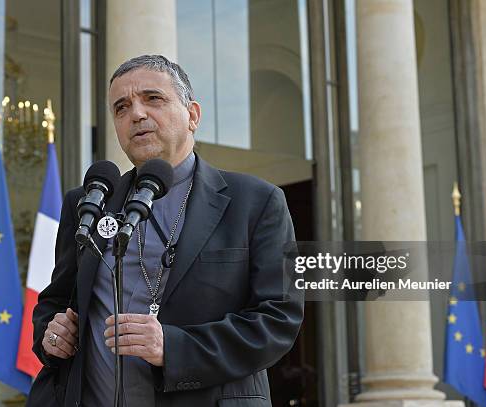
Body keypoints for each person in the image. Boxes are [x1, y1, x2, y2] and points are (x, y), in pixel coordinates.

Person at [27, 54, 304, 407]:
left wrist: (171, 347)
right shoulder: (89, 202)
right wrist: (51, 334)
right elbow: (55, 302)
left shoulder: (257, 202)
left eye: (153, 99)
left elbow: (278, 319)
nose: (137, 114)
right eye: (121, 107)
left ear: (192, 115)